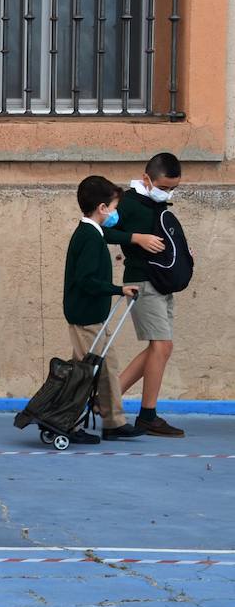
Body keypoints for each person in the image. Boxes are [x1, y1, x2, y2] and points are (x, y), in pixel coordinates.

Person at [104, 152, 186, 438]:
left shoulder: (153, 204)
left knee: (161, 348)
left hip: (161, 283)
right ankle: (147, 415)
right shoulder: (126, 204)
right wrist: (135, 238)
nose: (167, 193)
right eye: (163, 187)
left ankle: (106, 400)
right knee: (161, 347)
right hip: (142, 281)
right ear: (146, 178)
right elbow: (100, 231)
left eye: (173, 188)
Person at [63, 176, 140, 444]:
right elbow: (85, 280)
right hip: (85, 317)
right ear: (102, 208)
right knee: (86, 374)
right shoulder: (89, 237)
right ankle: (69, 424)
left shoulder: (92, 233)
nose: (116, 213)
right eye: (115, 206)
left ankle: (113, 422)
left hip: (92, 316)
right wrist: (118, 289)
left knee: (104, 368)